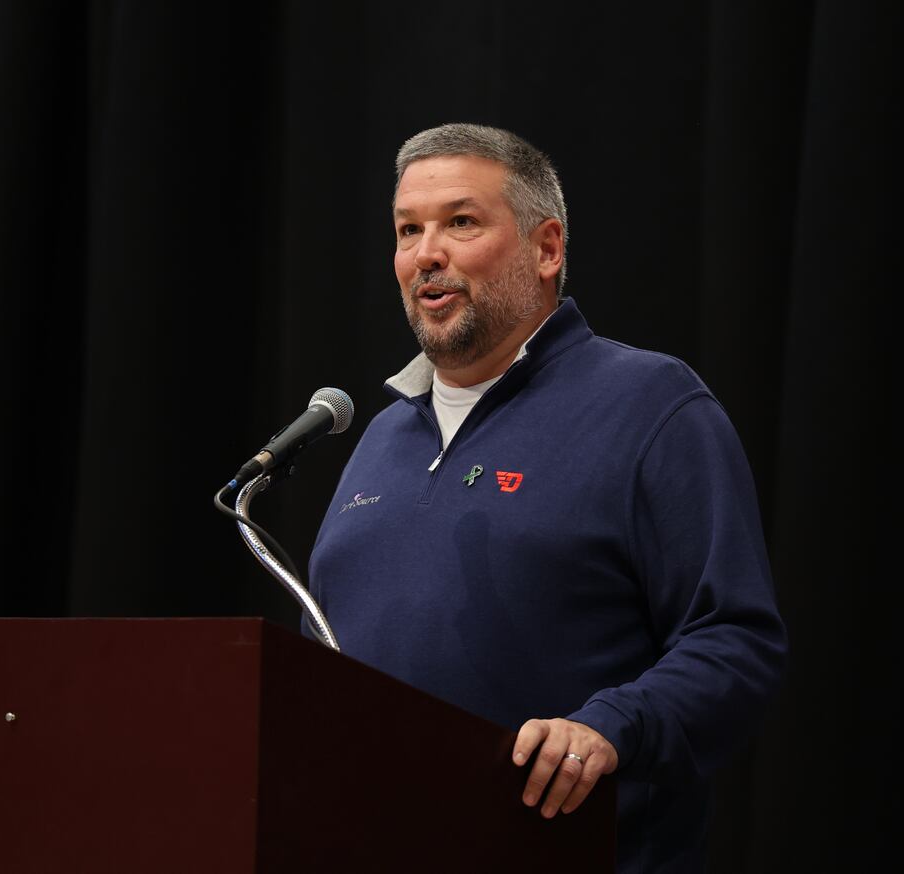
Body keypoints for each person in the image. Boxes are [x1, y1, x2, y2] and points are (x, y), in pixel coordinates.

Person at [307, 123, 786, 873]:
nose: (425, 253)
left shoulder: (651, 406)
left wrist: (612, 728)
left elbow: (737, 642)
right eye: (408, 230)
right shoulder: (379, 441)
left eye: (460, 222)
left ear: (547, 248)